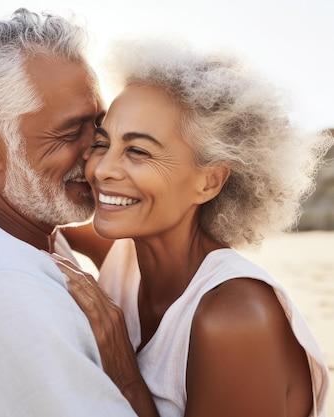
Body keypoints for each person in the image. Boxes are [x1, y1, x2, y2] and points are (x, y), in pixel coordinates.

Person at [0, 9, 159, 417]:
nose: (99, 154)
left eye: (99, 124)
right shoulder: (0, 286)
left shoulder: (21, 240)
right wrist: (126, 378)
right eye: (71, 132)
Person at [53, 38, 332, 416]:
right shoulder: (124, 253)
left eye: (138, 151)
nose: (102, 170)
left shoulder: (236, 317)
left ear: (209, 181)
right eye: (103, 143)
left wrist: (124, 371)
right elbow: (30, 218)